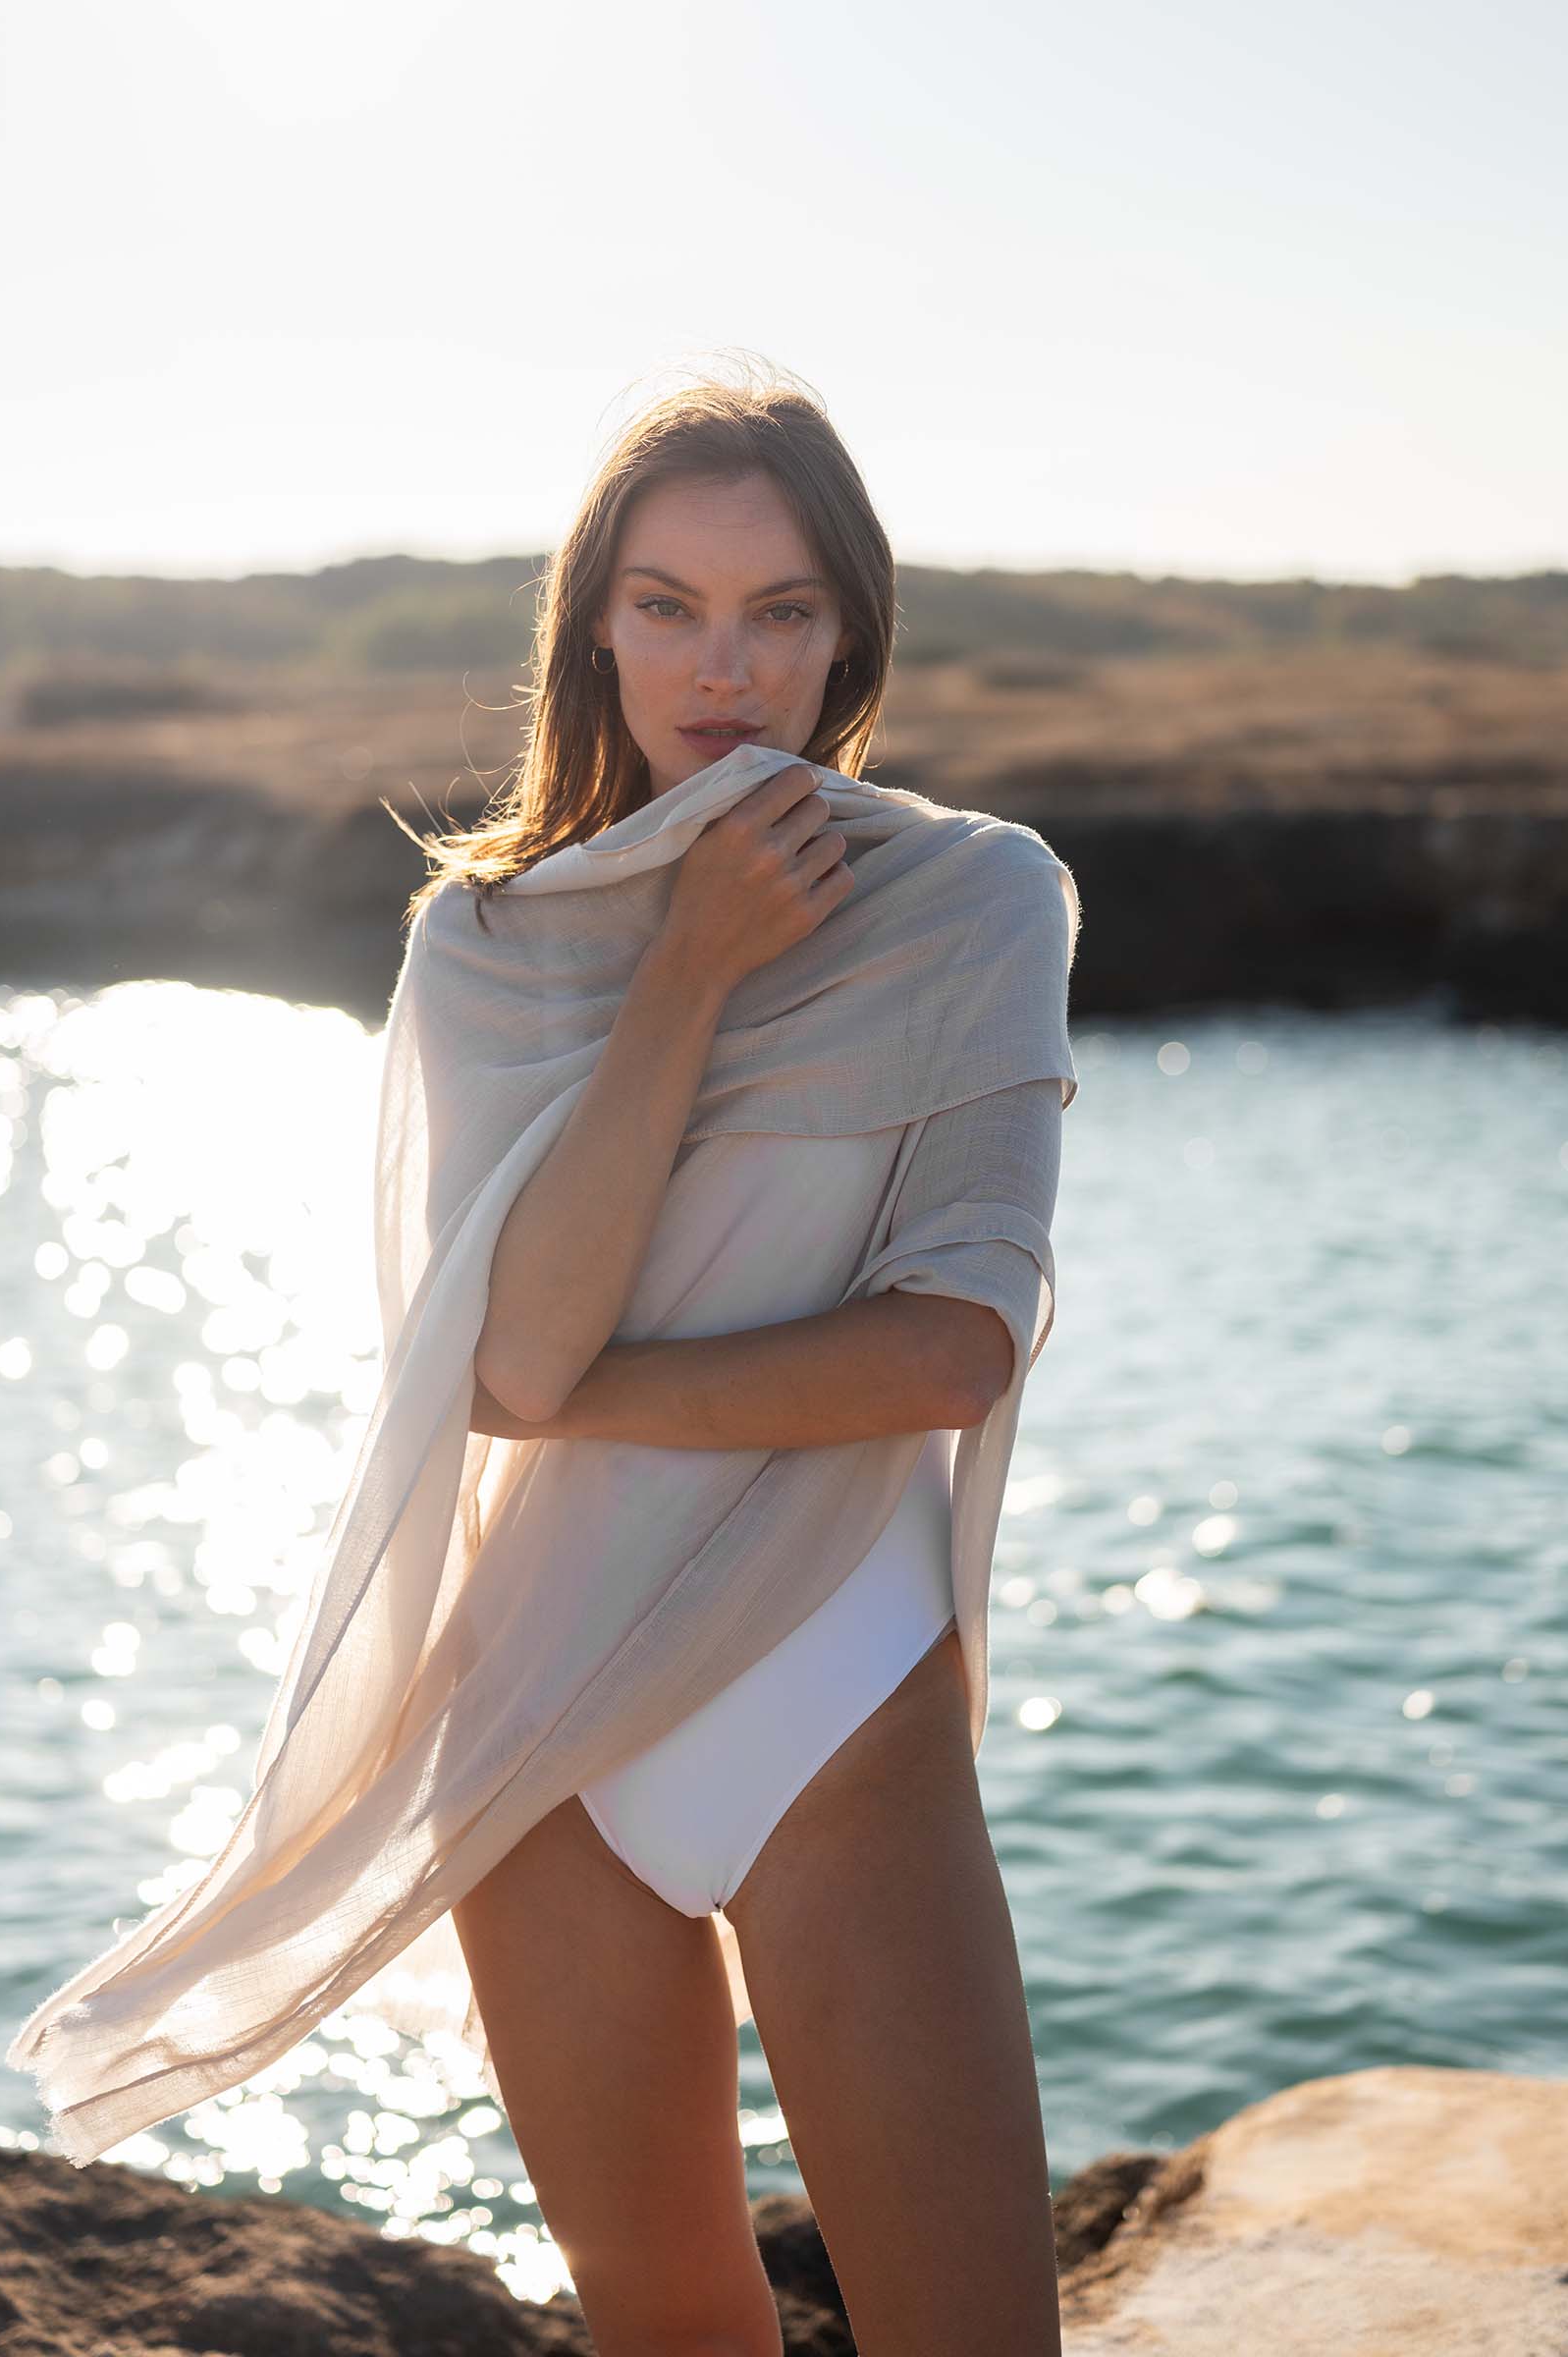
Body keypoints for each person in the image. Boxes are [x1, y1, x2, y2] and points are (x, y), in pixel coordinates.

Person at [421, 370, 1072, 2356]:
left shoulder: (976, 899)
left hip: (833, 1695)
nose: (726, 668)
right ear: (593, 628)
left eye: (782, 611)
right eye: (671, 604)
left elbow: (951, 1348)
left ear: (847, 633)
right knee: (668, 2332)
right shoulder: (488, 941)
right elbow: (507, 1347)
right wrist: (691, 965)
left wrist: (578, 1398)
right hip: (539, 1724)